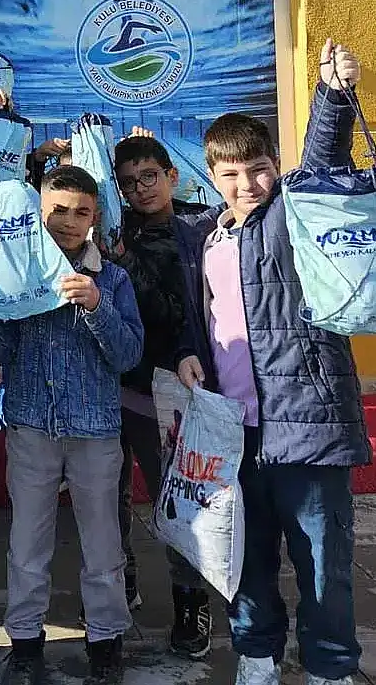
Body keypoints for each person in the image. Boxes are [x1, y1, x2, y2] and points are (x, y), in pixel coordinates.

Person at [174, 40, 367, 685]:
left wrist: (333, 96)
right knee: (245, 556)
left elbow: (325, 161)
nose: (246, 185)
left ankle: (329, 667)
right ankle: (256, 657)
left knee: (322, 562)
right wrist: (189, 354)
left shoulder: (293, 215)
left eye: (258, 169)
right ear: (211, 175)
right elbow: (204, 316)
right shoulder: (206, 238)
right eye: (231, 173)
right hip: (235, 430)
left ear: (275, 166)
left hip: (306, 426)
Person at [0, 166, 144, 685]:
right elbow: (0, 351)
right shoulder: (15, 272)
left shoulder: (112, 278)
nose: (68, 222)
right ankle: (25, 643)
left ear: (95, 217)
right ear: (38, 213)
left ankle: (106, 642)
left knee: (103, 545)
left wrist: (97, 306)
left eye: (81, 212)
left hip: (95, 430)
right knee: (27, 544)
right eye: (58, 211)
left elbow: (129, 355)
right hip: (31, 427)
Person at [106, 133, 213, 659]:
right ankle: (119, 580)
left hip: (170, 389)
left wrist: (125, 262)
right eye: (128, 183)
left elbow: (176, 313)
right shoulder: (112, 228)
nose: (140, 189)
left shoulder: (199, 231)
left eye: (148, 176)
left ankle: (191, 602)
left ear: (172, 175)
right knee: (110, 498)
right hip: (115, 387)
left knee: (178, 498)